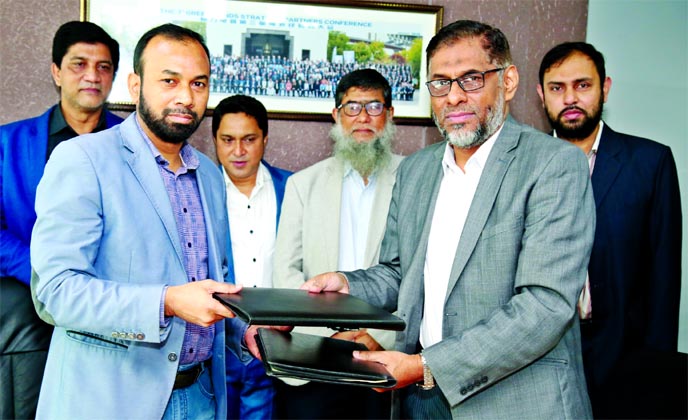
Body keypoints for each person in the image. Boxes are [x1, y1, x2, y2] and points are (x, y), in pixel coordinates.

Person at [291, 20, 596, 419]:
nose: (453, 97)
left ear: (507, 81)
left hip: (516, 402)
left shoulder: (554, 164)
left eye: (470, 79)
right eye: (439, 82)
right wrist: (346, 283)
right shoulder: (417, 170)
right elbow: (400, 272)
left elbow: (545, 306)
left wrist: (426, 365)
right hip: (421, 401)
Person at [29, 23, 246, 420]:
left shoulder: (211, 176)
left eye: (199, 84)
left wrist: (248, 331)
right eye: (169, 81)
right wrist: (166, 302)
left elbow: (212, 284)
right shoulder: (83, 159)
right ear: (134, 85)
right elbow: (56, 293)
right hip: (110, 401)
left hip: (201, 395)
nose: (186, 97)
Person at [537, 42, 683, 419]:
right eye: (557, 88)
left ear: (606, 87)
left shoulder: (650, 163)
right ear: (541, 95)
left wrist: (656, 368)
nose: (570, 98)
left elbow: (664, 277)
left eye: (582, 85)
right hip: (537, 357)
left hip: (623, 356)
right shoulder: (522, 168)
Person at [0, 21, 122, 420]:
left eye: (104, 67)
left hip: (115, 317)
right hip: (31, 317)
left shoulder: (134, 145)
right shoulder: (8, 143)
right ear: (56, 72)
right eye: (79, 64)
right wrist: (46, 269)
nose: (92, 75)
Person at [272, 68, 403, 419]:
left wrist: (378, 336)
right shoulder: (304, 184)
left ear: (390, 114)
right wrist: (324, 339)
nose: (363, 117)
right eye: (352, 107)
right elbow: (285, 273)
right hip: (312, 356)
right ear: (336, 115)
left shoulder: (414, 179)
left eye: (374, 106)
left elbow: (420, 273)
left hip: (384, 356)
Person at [211, 94, 292, 419]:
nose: (238, 151)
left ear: (265, 139)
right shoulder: (201, 190)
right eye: (227, 140)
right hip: (218, 343)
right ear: (214, 140)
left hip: (277, 342)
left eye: (249, 139)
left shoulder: (292, 187)